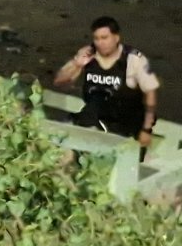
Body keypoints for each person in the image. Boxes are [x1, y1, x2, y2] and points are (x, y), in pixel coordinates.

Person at [54, 16, 159, 148]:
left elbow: (151, 97)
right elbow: (60, 83)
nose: (100, 43)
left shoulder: (134, 60)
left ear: (116, 37)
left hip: (124, 123)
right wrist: (77, 64)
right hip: (93, 118)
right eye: (96, 38)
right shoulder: (87, 55)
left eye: (105, 38)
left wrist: (146, 130)